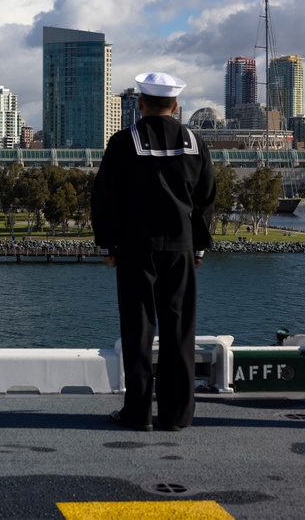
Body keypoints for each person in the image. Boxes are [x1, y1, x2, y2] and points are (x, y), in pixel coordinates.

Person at [91, 72, 216, 432]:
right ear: (176, 106)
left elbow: (105, 199)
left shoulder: (122, 141)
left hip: (135, 250)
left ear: (141, 103)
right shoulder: (195, 143)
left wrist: (108, 243)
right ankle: (177, 416)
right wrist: (200, 247)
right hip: (181, 250)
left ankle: (138, 413)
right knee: (179, 331)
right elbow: (206, 200)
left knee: (138, 331)